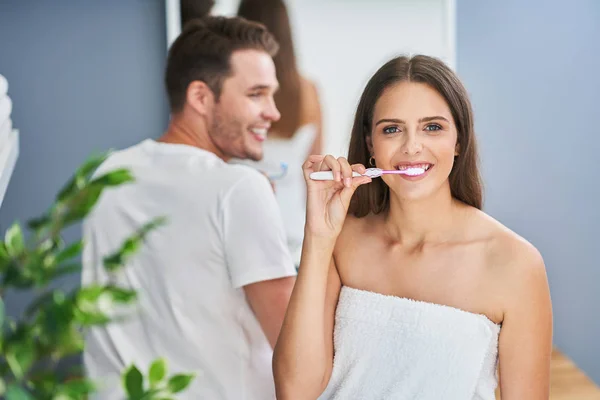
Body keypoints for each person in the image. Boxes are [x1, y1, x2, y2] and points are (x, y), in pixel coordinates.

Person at [272, 55, 553, 399]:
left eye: (432, 127)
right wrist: (318, 236)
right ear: (372, 145)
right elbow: (293, 391)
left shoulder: (515, 264)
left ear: (459, 140)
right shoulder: (340, 241)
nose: (412, 146)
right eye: (392, 129)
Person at [82, 16, 297, 399]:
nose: (273, 112)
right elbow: (296, 344)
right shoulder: (238, 189)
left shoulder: (109, 173)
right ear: (200, 97)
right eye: (256, 94)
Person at [235, 0, 324, 266]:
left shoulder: (233, 93)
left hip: (241, 235)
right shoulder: (308, 91)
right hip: (292, 237)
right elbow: (316, 170)